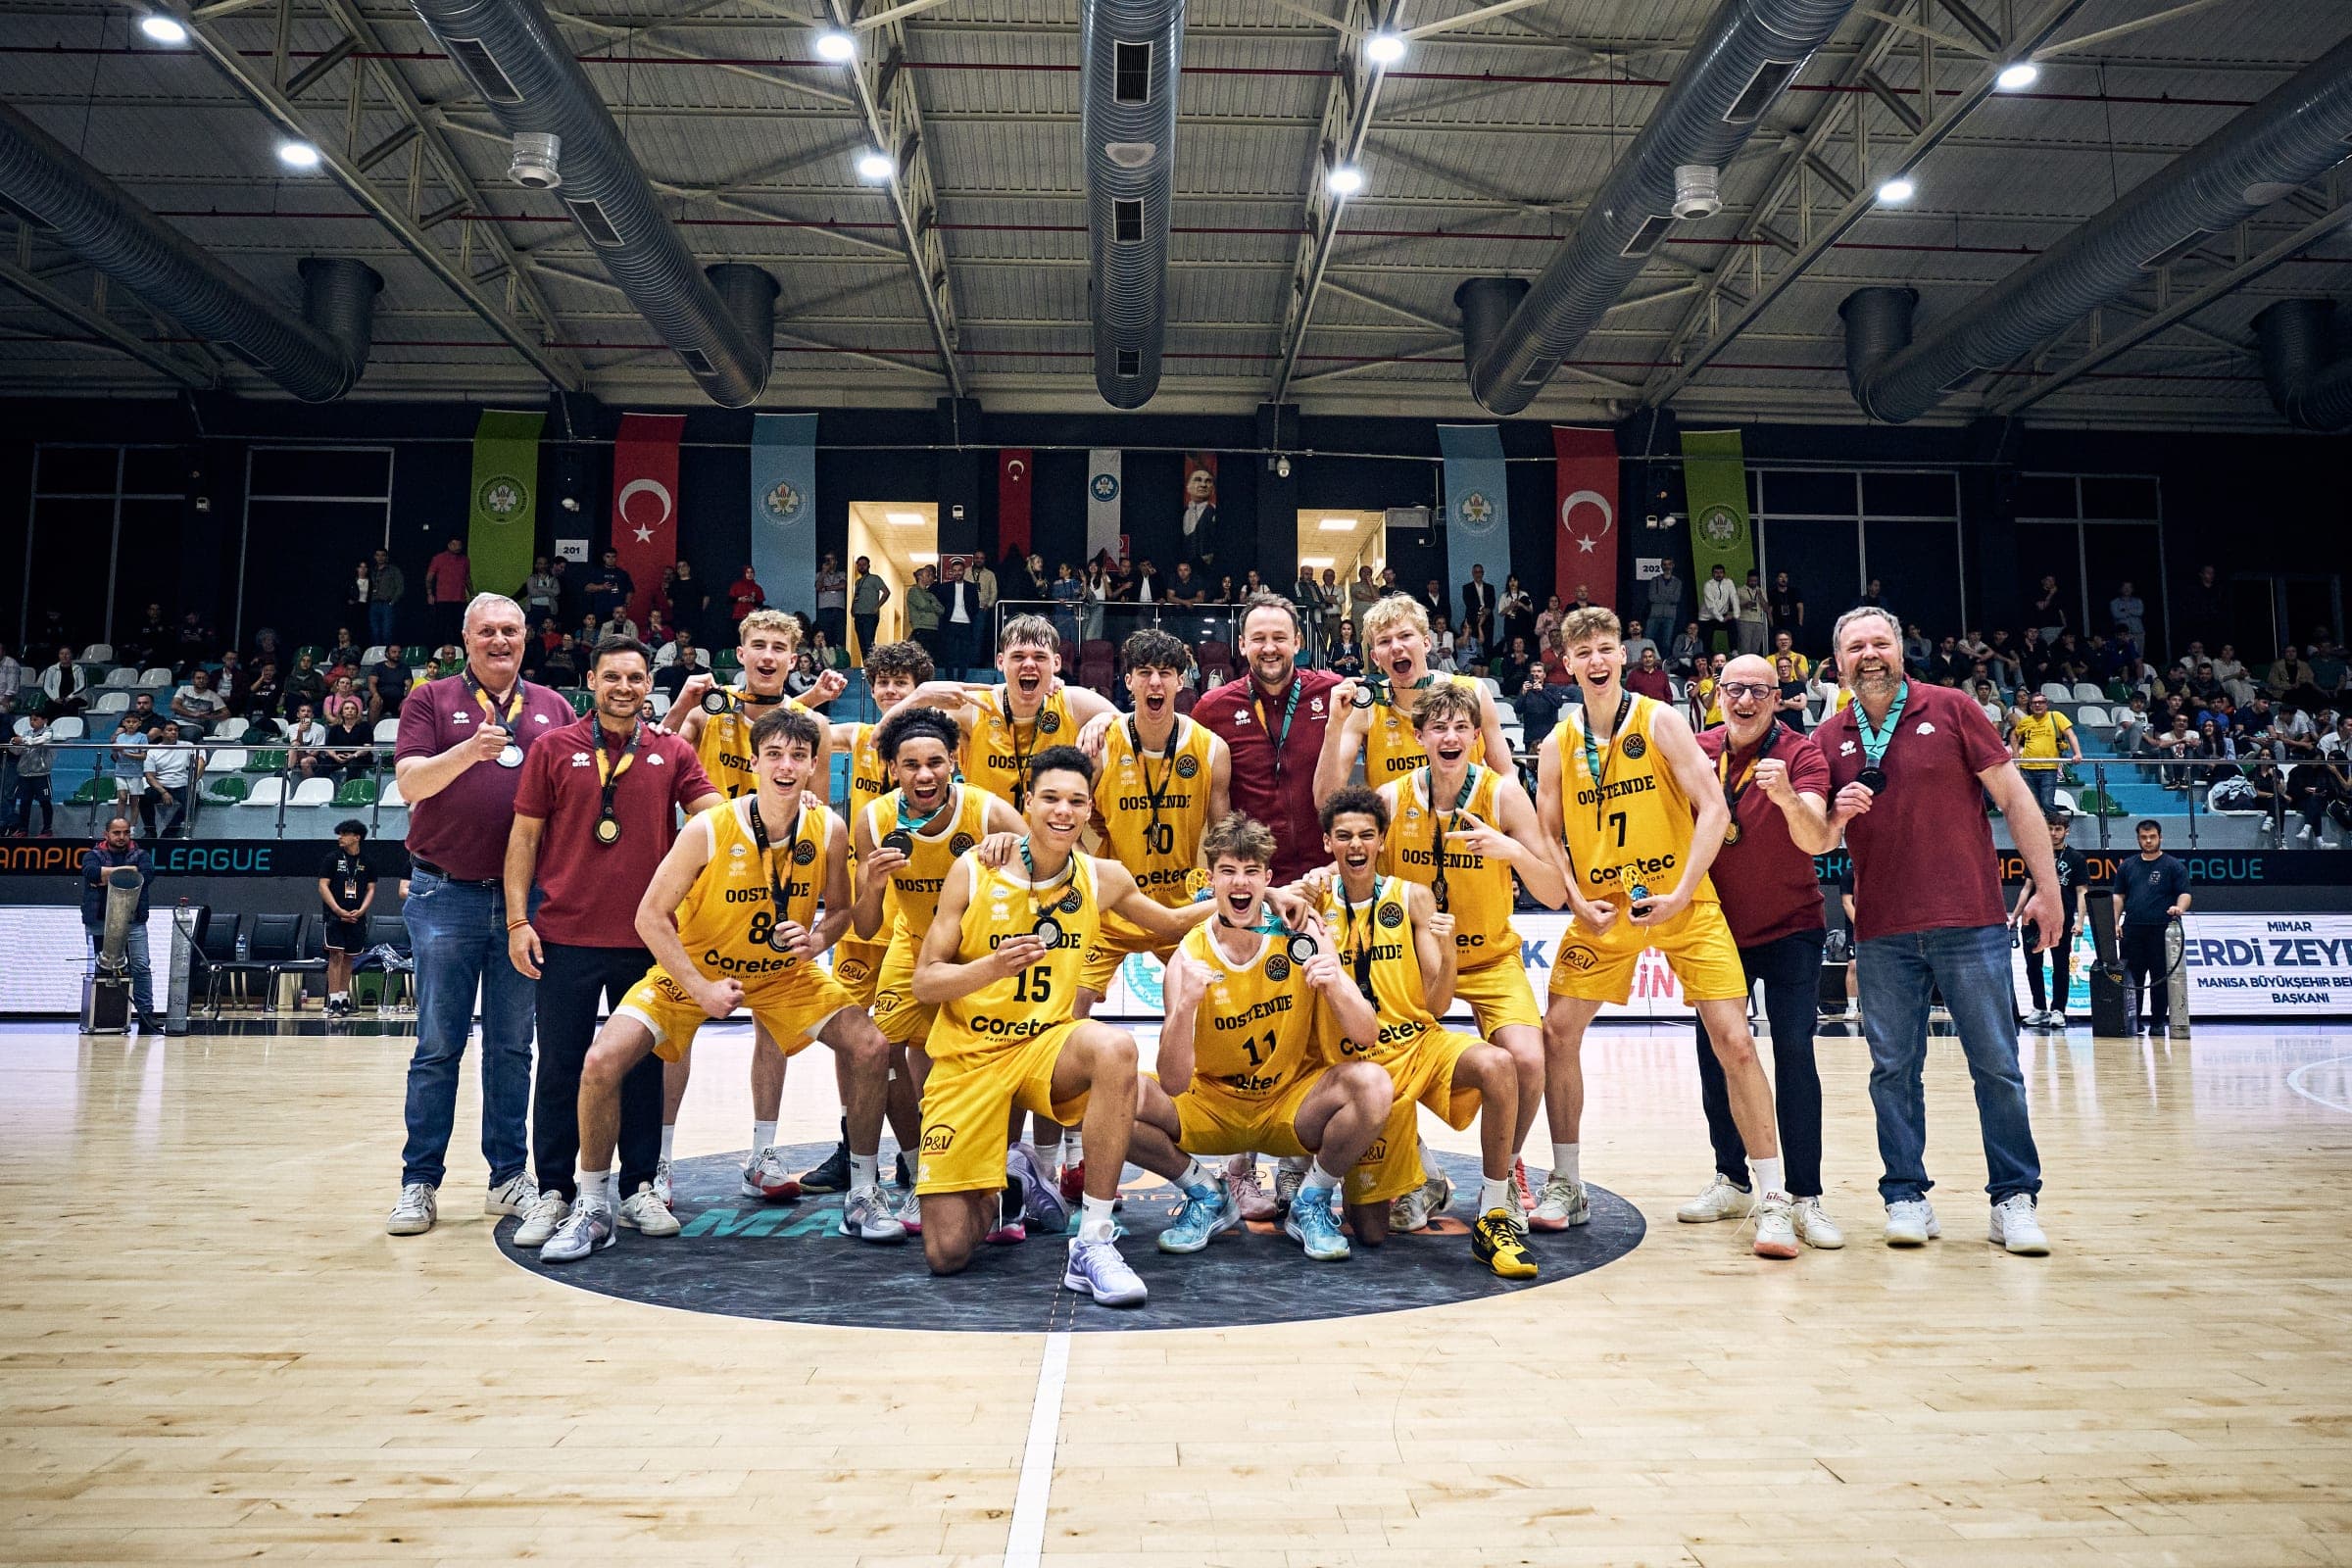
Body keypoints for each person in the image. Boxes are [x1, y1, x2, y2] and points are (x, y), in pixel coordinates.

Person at [540, 707, 906, 1261]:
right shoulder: (711, 827)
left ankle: (862, 1191)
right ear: (754, 761)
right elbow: (650, 916)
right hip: (695, 972)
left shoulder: (828, 828)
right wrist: (701, 988)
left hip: (784, 975)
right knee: (600, 1061)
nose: (786, 766)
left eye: (798, 756)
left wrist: (817, 939)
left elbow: (841, 912)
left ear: (813, 767)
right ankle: (593, 1205)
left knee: (871, 1045)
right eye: (775, 755)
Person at [1531, 610, 1802, 1258]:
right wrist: (1574, 897)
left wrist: (1683, 889)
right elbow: (1547, 835)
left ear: (1623, 656)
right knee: (1556, 1033)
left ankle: (1771, 1199)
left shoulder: (1661, 720)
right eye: (1583, 652)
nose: (1596, 660)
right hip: (1606, 909)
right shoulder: (1555, 745)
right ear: (1566, 664)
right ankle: (1567, 1182)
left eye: (1606, 648)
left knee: (1735, 1041)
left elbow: (1714, 808)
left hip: (1680, 900)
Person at [908, 747, 1215, 1302]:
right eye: (1050, 798)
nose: (1062, 811)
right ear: (1026, 803)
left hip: (1044, 1046)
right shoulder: (977, 869)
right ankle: (1012, 1190)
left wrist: (1250, 897)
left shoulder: (1104, 877)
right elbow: (925, 983)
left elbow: (1169, 923)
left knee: (1115, 1048)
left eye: (1076, 801)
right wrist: (992, 967)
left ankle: (1093, 1241)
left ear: (1089, 809)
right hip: (968, 1057)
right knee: (946, 1254)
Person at [1816, 606, 2056, 1256]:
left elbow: (2015, 798)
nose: (1870, 653)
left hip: (1972, 922)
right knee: (1892, 1071)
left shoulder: (1951, 707)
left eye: (1881, 641)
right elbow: (1815, 837)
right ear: (1837, 662)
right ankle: (1905, 1196)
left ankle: (2014, 1199)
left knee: (1998, 1068)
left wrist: (2048, 888)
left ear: (1901, 650)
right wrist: (1835, 817)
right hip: (1884, 931)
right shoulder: (1829, 735)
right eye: (1856, 646)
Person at [505, 637, 724, 1250]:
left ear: (649, 682)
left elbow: (720, 818)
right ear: (591, 681)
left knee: (642, 1067)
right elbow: (523, 841)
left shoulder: (673, 751)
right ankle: (554, 1189)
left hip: (644, 940)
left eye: (634, 677)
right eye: (611, 677)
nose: (623, 688)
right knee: (559, 1067)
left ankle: (639, 1187)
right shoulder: (552, 749)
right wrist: (519, 922)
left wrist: (792, 800)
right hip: (564, 936)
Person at [384, 593, 577, 1239]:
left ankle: (506, 1177)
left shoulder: (552, 707)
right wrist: (469, 751)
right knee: (439, 1046)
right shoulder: (429, 700)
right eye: (488, 631)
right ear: (466, 638)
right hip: (446, 895)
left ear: (528, 638)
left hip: (528, 904)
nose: (501, 641)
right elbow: (411, 784)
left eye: (512, 631)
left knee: (513, 1046)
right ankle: (419, 1183)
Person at [1117, 812, 1391, 1260]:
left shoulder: (1303, 932)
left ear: (1267, 878)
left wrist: (1336, 982)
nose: (1239, 883)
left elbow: (1365, 1035)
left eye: (1250, 872)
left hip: (1289, 1103)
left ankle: (1311, 1201)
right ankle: (1205, 1193)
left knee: (1374, 1084)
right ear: (1211, 879)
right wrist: (1184, 1007)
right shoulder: (1188, 955)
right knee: (1109, 1099)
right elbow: (1172, 1083)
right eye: (1228, 871)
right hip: (1212, 1104)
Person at [1305, 788, 1536, 1276]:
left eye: (1367, 835)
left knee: (1499, 1064)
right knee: (1370, 1232)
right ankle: (1420, 1174)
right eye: (1343, 836)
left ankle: (1495, 1210)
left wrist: (1447, 949)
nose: (1356, 845)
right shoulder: (1312, 899)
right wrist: (1297, 888)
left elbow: (1437, 1003)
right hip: (1362, 1069)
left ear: (1383, 840)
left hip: (1418, 1044)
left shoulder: (1411, 897)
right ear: (1327, 843)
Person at [1375, 682, 1562, 1214]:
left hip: (1490, 957)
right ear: (1420, 737)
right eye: (1439, 728)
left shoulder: (1502, 793)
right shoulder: (1392, 799)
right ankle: (1414, 1171)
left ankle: (1509, 1163)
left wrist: (1512, 852)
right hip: (1417, 963)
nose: (1451, 737)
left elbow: (1551, 893)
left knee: (1528, 1058)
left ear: (1477, 737)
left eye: (1462, 727)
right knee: (1377, 1058)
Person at [1680, 655, 1844, 1248]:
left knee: (1795, 1051)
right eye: (1733, 689)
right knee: (1715, 1052)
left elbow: (1816, 836)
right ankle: (1732, 1178)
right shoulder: (1697, 748)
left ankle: (1806, 1195)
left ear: (1779, 698)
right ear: (1716, 694)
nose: (1744, 700)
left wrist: (1787, 801)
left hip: (1792, 927)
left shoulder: (1802, 754)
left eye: (1758, 690)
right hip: (1713, 930)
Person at [848, 709, 1025, 1232]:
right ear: (892, 770)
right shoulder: (874, 821)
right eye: (910, 765)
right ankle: (883, 1179)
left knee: (989, 1061)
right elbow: (864, 923)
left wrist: (1016, 852)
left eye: (934, 763)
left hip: (978, 952)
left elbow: (1055, 871)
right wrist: (872, 885)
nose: (924, 775)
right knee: (875, 1051)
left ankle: (1001, 1178)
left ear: (955, 762)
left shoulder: (989, 812)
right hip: (915, 947)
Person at [1079, 631, 1232, 1029]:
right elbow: (1065, 826)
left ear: (1181, 681)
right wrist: (1086, 877)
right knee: (1065, 1010)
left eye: (1165, 672)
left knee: (1212, 1012)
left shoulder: (1211, 748)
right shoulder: (1101, 747)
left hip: (1182, 903)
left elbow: (1223, 837)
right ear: (1127, 680)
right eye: (1143, 672)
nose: (1155, 682)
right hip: (1114, 909)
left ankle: (1201, 1090)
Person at [889, 614, 1116, 813]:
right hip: (986, 844)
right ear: (1000, 661)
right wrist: (919, 696)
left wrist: (1106, 718)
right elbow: (887, 734)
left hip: (1051, 841)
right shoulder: (974, 706)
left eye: (1039, 657)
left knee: (1108, 742)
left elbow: (1135, 726)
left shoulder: (1073, 702)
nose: (1029, 665)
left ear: (1056, 663)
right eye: (1018, 657)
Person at [1195, 592, 1345, 887]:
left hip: (1326, 876)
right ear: (1241, 645)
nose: (1269, 648)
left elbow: (1400, 704)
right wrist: (1105, 718)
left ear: (1297, 642)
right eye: (1258, 639)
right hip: (1254, 883)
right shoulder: (1213, 709)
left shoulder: (1333, 693)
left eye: (1279, 637)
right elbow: (1167, 737)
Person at [1315, 595, 1511, 800]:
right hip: (1396, 829)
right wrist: (1334, 724)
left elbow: (1507, 780)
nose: (1396, 647)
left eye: (1405, 635)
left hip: (1466, 829)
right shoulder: (1367, 706)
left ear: (1426, 643)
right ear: (1375, 658)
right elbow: (1324, 799)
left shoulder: (1474, 692)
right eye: (1384, 641)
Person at [663, 609, 844, 800]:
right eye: (758, 645)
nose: (768, 656)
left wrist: (812, 698)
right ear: (741, 654)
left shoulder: (813, 724)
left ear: (792, 661)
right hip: (712, 829)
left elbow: (819, 816)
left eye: (778, 648)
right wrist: (680, 706)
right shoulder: (710, 709)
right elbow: (655, 766)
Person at [2111, 820, 2191, 1036]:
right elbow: (2119, 896)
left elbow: (2185, 893)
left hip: (2161, 930)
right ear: (2138, 838)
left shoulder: (2173, 866)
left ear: (2160, 837)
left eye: (2152, 837)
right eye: (2144, 837)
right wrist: (2115, 922)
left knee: (2159, 978)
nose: (2148, 841)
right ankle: (2133, 1022)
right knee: (2132, 978)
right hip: (2133, 929)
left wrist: (2179, 908)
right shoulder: (2127, 866)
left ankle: (2157, 1022)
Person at [81, 816, 160, 1030]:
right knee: (103, 968)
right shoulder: (93, 855)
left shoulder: (141, 855)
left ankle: (146, 1014)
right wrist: (128, 871)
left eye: (125, 832)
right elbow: (90, 873)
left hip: (133, 921)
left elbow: (145, 876)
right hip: (100, 920)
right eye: (117, 833)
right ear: (106, 834)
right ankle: (103, 1017)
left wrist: (106, 876)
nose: (122, 837)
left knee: (141, 966)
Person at [2013, 809, 2087, 1031]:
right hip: (2033, 919)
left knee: (2061, 965)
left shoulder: (2076, 858)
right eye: (2050, 828)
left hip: (2060, 919)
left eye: (2058, 829)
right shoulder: (2035, 853)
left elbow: (2082, 891)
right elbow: (2026, 888)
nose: (2054, 833)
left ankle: (2058, 1010)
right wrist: (2014, 916)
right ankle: (2039, 1008)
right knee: (2032, 965)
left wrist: (2080, 921)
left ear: (2067, 831)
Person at [318, 819, 378, 1015]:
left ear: (356, 837)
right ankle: (333, 1001)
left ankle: (343, 999)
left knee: (349, 958)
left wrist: (362, 910)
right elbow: (323, 886)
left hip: (356, 916)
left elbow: (371, 889)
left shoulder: (367, 861)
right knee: (336, 956)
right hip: (335, 917)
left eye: (344, 834)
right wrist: (337, 910)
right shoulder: (332, 858)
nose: (340, 838)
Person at [2007, 690, 2082, 811]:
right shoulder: (2026, 721)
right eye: (2034, 703)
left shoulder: (2056, 716)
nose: (2037, 705)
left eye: (2041, 702)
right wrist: (2015, 754)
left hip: (2048, 768)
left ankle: (2054, 829)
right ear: (2030, 706)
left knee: (2047, 804)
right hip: (2027, 768)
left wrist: (2077, 753)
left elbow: (2071, 735)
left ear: (2046, 704)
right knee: (2032, 806)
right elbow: (2014, 734)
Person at [143, 724, 201, 838]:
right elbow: (149, 776)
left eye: (176, 730)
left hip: (182, 784)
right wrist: (163, 792)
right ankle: (150, 830)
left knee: (194, 800)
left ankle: (170, 830)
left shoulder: (188, 746)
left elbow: (200, 762)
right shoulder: (153, 751)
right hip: (161, 784)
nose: (174, 732)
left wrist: (193, 780)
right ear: (162, 733)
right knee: (144, 798)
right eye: (169, 730)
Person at [7, 710, 56, 835]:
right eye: (31, 720)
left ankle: (47, 829)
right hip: (25, 775)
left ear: (44, 720)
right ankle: (23, 829)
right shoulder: (27, 733)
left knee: (44, 802)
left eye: (36, 719)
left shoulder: (48, 732)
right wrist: (13, 742)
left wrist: (22, 740)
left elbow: (41, 740)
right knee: (24, 802)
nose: (32, 722)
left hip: (41, 774)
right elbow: (17, 752)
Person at [425, 539, 472, 652]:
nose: (458, 547)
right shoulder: (438, 558)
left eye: (460, 544)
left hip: (459, 600)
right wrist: (429, 593)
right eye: (455, 544)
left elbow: (467, 578)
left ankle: (459, 654)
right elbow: (429, 578)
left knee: (458, 629)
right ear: (449, 545)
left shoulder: (465, 560)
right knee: (440, 629)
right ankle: (436, 654)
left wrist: (472, 594)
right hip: (442, 599)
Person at [851, 556, 891, 656]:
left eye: (864, 564)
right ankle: (866, 666)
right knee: (862, 644)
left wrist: (877, 607)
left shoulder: (875, 579)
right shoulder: (858, 582)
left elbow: (886, 592)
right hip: (858, 615)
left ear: (868, 566)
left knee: (869, 644)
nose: (861, 567)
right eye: (859, 565)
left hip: (869, 615)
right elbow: (856, 596)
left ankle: (872, 666)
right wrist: (852, 608)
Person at [368, 548, 406, 646]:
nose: (380, 557)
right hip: (373, 604)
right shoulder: (372, 571)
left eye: (383, 555)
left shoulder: (393, 570)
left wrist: (393, 601)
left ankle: (387, 654)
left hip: (386, 604)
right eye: (378, 555)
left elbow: (400, 586)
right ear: (375, 557)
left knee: (387, 631)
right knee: (374, 631)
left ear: (386, 557)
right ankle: (376, 654)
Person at [1460, 564, 1497, 654]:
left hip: (1487, 620)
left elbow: (1492, 602)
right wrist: (1481, 610)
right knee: (1473, 644)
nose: (1478, 574)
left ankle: (1487, 665)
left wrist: (1488, 610)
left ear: (1483, 573)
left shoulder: (1490, 587)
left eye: (1480, 572)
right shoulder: (1467, 588)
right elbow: (1468, 602)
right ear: (1472, 573)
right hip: (1473, 620)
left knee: (1488, 645)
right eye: (1476, 572)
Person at [813, 552, 848, 649]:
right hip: (824, 609)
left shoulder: (841, 574)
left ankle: (838, 657)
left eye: (831, 559)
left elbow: (842, 585)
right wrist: (824, 572)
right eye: (826, 559)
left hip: (838, 609)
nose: (828, 561)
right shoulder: (819, 574)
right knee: (825, 635)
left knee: (839, 635)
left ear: (835, 562)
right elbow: (818, 587)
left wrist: (826, 588)